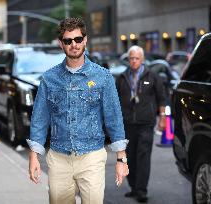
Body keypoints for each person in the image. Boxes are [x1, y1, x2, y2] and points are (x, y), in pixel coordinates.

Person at [27, 17, 129, 204]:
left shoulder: (103, 76)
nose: (74, 45)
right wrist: (34, 156)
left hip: (92, 158)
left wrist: (121, 160)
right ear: (61, 44)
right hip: (59, 160)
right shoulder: (49, 78)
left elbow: (114, 118)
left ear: (85, 40)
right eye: (68, 41)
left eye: (78, 39)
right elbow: (40, 119)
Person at [116, 45, 166, 203]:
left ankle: (142, 190)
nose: (134, 61)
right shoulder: (122, 77)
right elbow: (115, 102)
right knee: (129, 157)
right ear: (128, 59)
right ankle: (133, 187)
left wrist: (163, 118)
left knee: (143, 156)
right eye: (131, 58)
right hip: (128, 123)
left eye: (137, 58)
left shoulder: (152, 76)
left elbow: (162, 98)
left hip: (146, 123)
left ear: (142, 59)